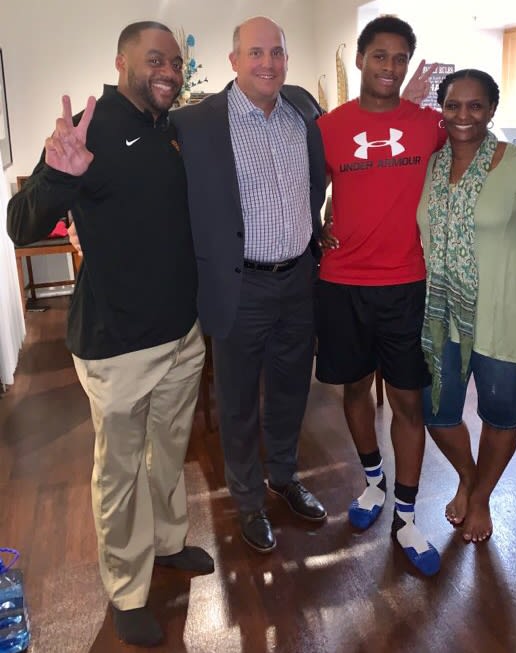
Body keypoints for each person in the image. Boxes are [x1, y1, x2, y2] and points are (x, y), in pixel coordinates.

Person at [7, 22, 214, 648]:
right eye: (156, 60)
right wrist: (60, 174)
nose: (169, 72)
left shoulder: (169, 129)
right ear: (122, 60)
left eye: (175, 62)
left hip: (181, 333)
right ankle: (126, 588)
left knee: (169, 451)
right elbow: (21, 224)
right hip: (118, 343)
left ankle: (169, 541)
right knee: (119, 471)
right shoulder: (89, 129)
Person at [171, 17, 327, 554]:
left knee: (289, 389)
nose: (268, 62)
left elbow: (319, 184)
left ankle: (283, 477)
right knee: (237, 400)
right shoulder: (196, 124)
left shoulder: (303, 115)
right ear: (233, 60)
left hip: (298, 280)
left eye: (277, 52)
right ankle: (247, 501)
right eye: (255, 52)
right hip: (241, 285)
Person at [417, 69, 516, 543]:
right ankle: (469, 476)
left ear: (491, 111)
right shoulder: (431, 164)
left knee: (500, 416)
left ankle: (482, 495)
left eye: (476, 105)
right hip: (444, 317)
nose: (464, 115)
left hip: (507, 315)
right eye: (453, 105)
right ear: (441, 110)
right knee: (437, 414)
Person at [315, 15, 446, 576]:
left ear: (409, 65)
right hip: (341, 280)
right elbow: (305, 187)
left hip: (405, 283)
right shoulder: (328, 127)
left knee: (409, 400)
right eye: (379, 56)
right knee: (354, 389)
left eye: (399, 58)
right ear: (362, 60)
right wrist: (316, 223)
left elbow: (478, 146)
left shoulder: (430, 125)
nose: (389, 67)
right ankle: (373, 482)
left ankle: (408, 512)